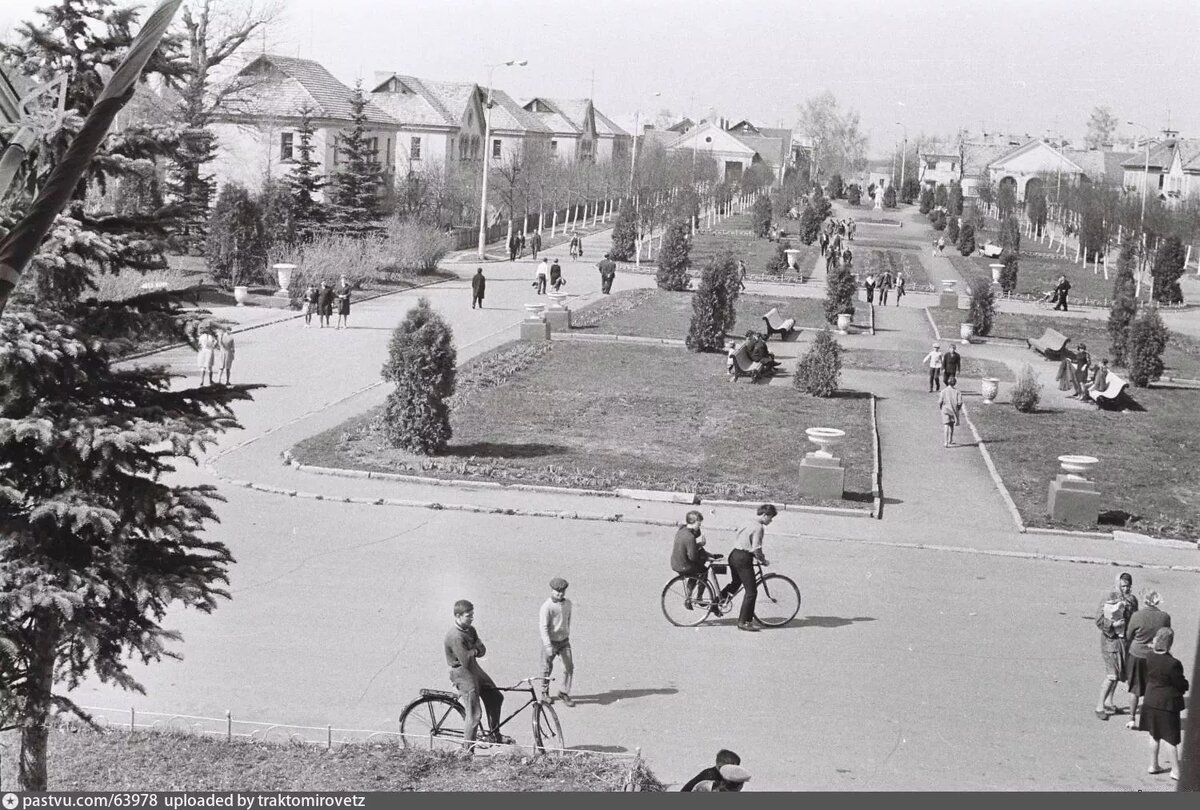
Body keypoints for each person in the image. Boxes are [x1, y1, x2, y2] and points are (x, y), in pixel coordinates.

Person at [444, 599, 506, 751]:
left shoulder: (470, 630)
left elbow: (482, 650)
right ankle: (468, 752)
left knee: (496, 696)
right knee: (475, 714)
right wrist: (475, 651)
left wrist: (474, 652)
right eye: (468, 615)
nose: (472, 618)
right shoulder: (456, 636)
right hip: (461, 672)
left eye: (472, 615)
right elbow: (465, 660)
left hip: (474, 668)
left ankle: (494, 733)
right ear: (457, 616)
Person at [1138, 628, 1189, 779]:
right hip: (1167, 704)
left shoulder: (1149, 656)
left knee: (1154, 735)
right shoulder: (1173, 663)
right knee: (1170, 738)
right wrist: (1185, 686)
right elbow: (1180, 683)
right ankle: (1176, 770)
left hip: (1150, 699)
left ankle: (1153, 765)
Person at [718, 504, 776, 632]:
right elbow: (756, 549)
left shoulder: (748, 521)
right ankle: (743, 622)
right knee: (751, 592)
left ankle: (716, 603)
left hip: (734, 554)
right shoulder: (759, 528)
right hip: (744, 558)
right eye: (770, 518)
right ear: (764, 515)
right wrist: (763, 560)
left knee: (736, 582)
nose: (771, 521)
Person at [1125, 590, 1171, 729]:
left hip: (1136, 654)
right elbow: (1166, 635)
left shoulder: (1137, 616)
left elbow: (1128, 635)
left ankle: (1132, 718)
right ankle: (1149, 720)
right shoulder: (1164, 617)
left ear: (1144, 601)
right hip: (1155, 656)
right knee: (1152, 689)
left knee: (1135, 689)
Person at [1095, 572, 1139, 719]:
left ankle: (1108, 702)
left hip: (1124, 641)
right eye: (1123, 586)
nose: (1125, 589)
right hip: (1110, 640)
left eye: (1128, 586)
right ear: (1117, 585)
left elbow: (1135, 618)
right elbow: (1099, 620)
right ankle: (1099, 706)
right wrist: (1113, 624)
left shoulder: (1132, 600)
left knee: (1119, 674)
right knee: (1111, 675)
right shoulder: (1109, 597)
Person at [538, 577, 574, 707]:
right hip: (551, 642)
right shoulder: (547, 607)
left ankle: (563, 692)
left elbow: (567, 619)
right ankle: (544, 692)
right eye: (557, 591)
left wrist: (566, 633)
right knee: (546, 668)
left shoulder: (568, 604)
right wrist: (547, 645)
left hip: (564, 641)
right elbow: (543, 627)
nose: (560, 594)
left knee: (568, 667)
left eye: (562, 591)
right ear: (551, 590)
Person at [670, 510, 713, 609]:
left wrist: (700, 545)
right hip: (684, 565)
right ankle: (699, 597)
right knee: (703, 571)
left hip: (675, 562)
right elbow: (693, 557)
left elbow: (689, 547)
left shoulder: (682, 530)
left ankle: (689, 597)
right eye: (699, 523)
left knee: (695, 571)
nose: (700, 525)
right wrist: (706, 556)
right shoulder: (690, 537)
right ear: (694, 522)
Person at [937, 376, 964, 447]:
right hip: (953, 410)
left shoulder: (943, 391)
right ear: (955, 383)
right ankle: (950, 439)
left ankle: (945, 442)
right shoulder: (957, 392)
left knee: (946, 425)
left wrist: (940, 407)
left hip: (945, 409)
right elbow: (960, 402)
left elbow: (940, 401)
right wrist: (958, 409)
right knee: (952, 425)